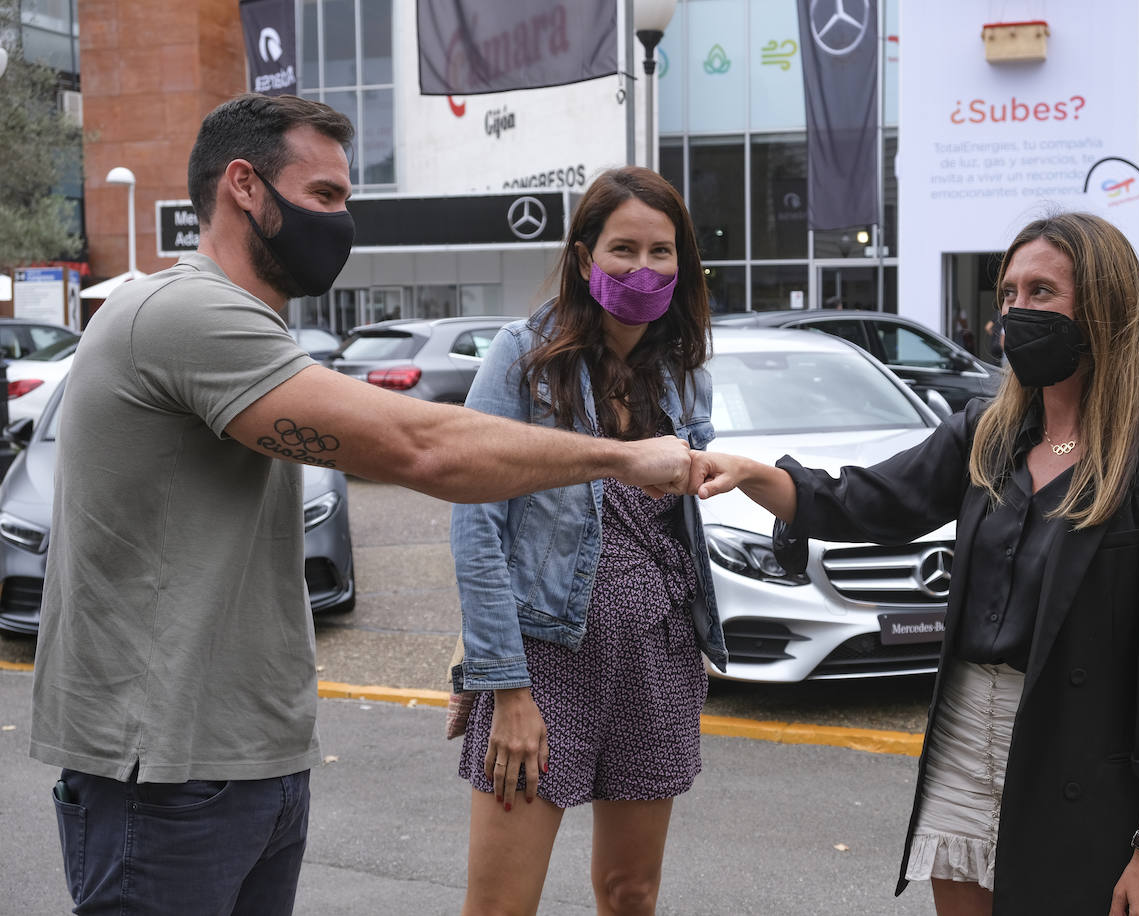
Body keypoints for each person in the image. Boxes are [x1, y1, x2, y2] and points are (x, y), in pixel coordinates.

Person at [30, 94, 691, 916]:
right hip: (163, 770)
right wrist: (624, 458)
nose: (343, 223)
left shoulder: (255, 329)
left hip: (250, 757)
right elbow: (424, 451)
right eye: (325, 197)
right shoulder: (182, 313)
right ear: (244, 186)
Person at [690, 212, 1139, 916]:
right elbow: (868, 503)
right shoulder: (987, 433)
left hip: (1077, 750)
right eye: (1008, 294)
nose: (1015, 312)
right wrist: (753, 473)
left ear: (1101, 307)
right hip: (966, 729)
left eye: (1041, 293)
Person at [451, 166, 726, 916]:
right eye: (623, 250)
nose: (644, 269)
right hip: (545, 662)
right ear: (583, 258)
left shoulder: (686, 372)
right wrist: (497, 679)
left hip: (657, 655)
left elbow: (686, 524)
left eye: (662, 252)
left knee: (631, 894)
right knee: (501, 906)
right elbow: (477, 520)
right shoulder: (522, 356)